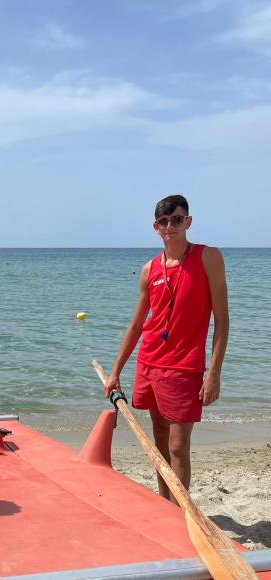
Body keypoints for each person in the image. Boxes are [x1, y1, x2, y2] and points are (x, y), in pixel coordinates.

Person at [104, 195, 229, 502]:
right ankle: (165, 506)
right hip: (149, 363)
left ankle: (180, 512)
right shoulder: (150, 269)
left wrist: (213, 373)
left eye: (176, 219)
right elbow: (136, 326)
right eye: (164, 221)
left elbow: (222, 321)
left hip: (184, 367)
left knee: (177, 447)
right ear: (155, 228)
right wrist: (115, 372)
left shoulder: (207, 257)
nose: (170, 226)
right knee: (158, 445)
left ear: (188, 221)